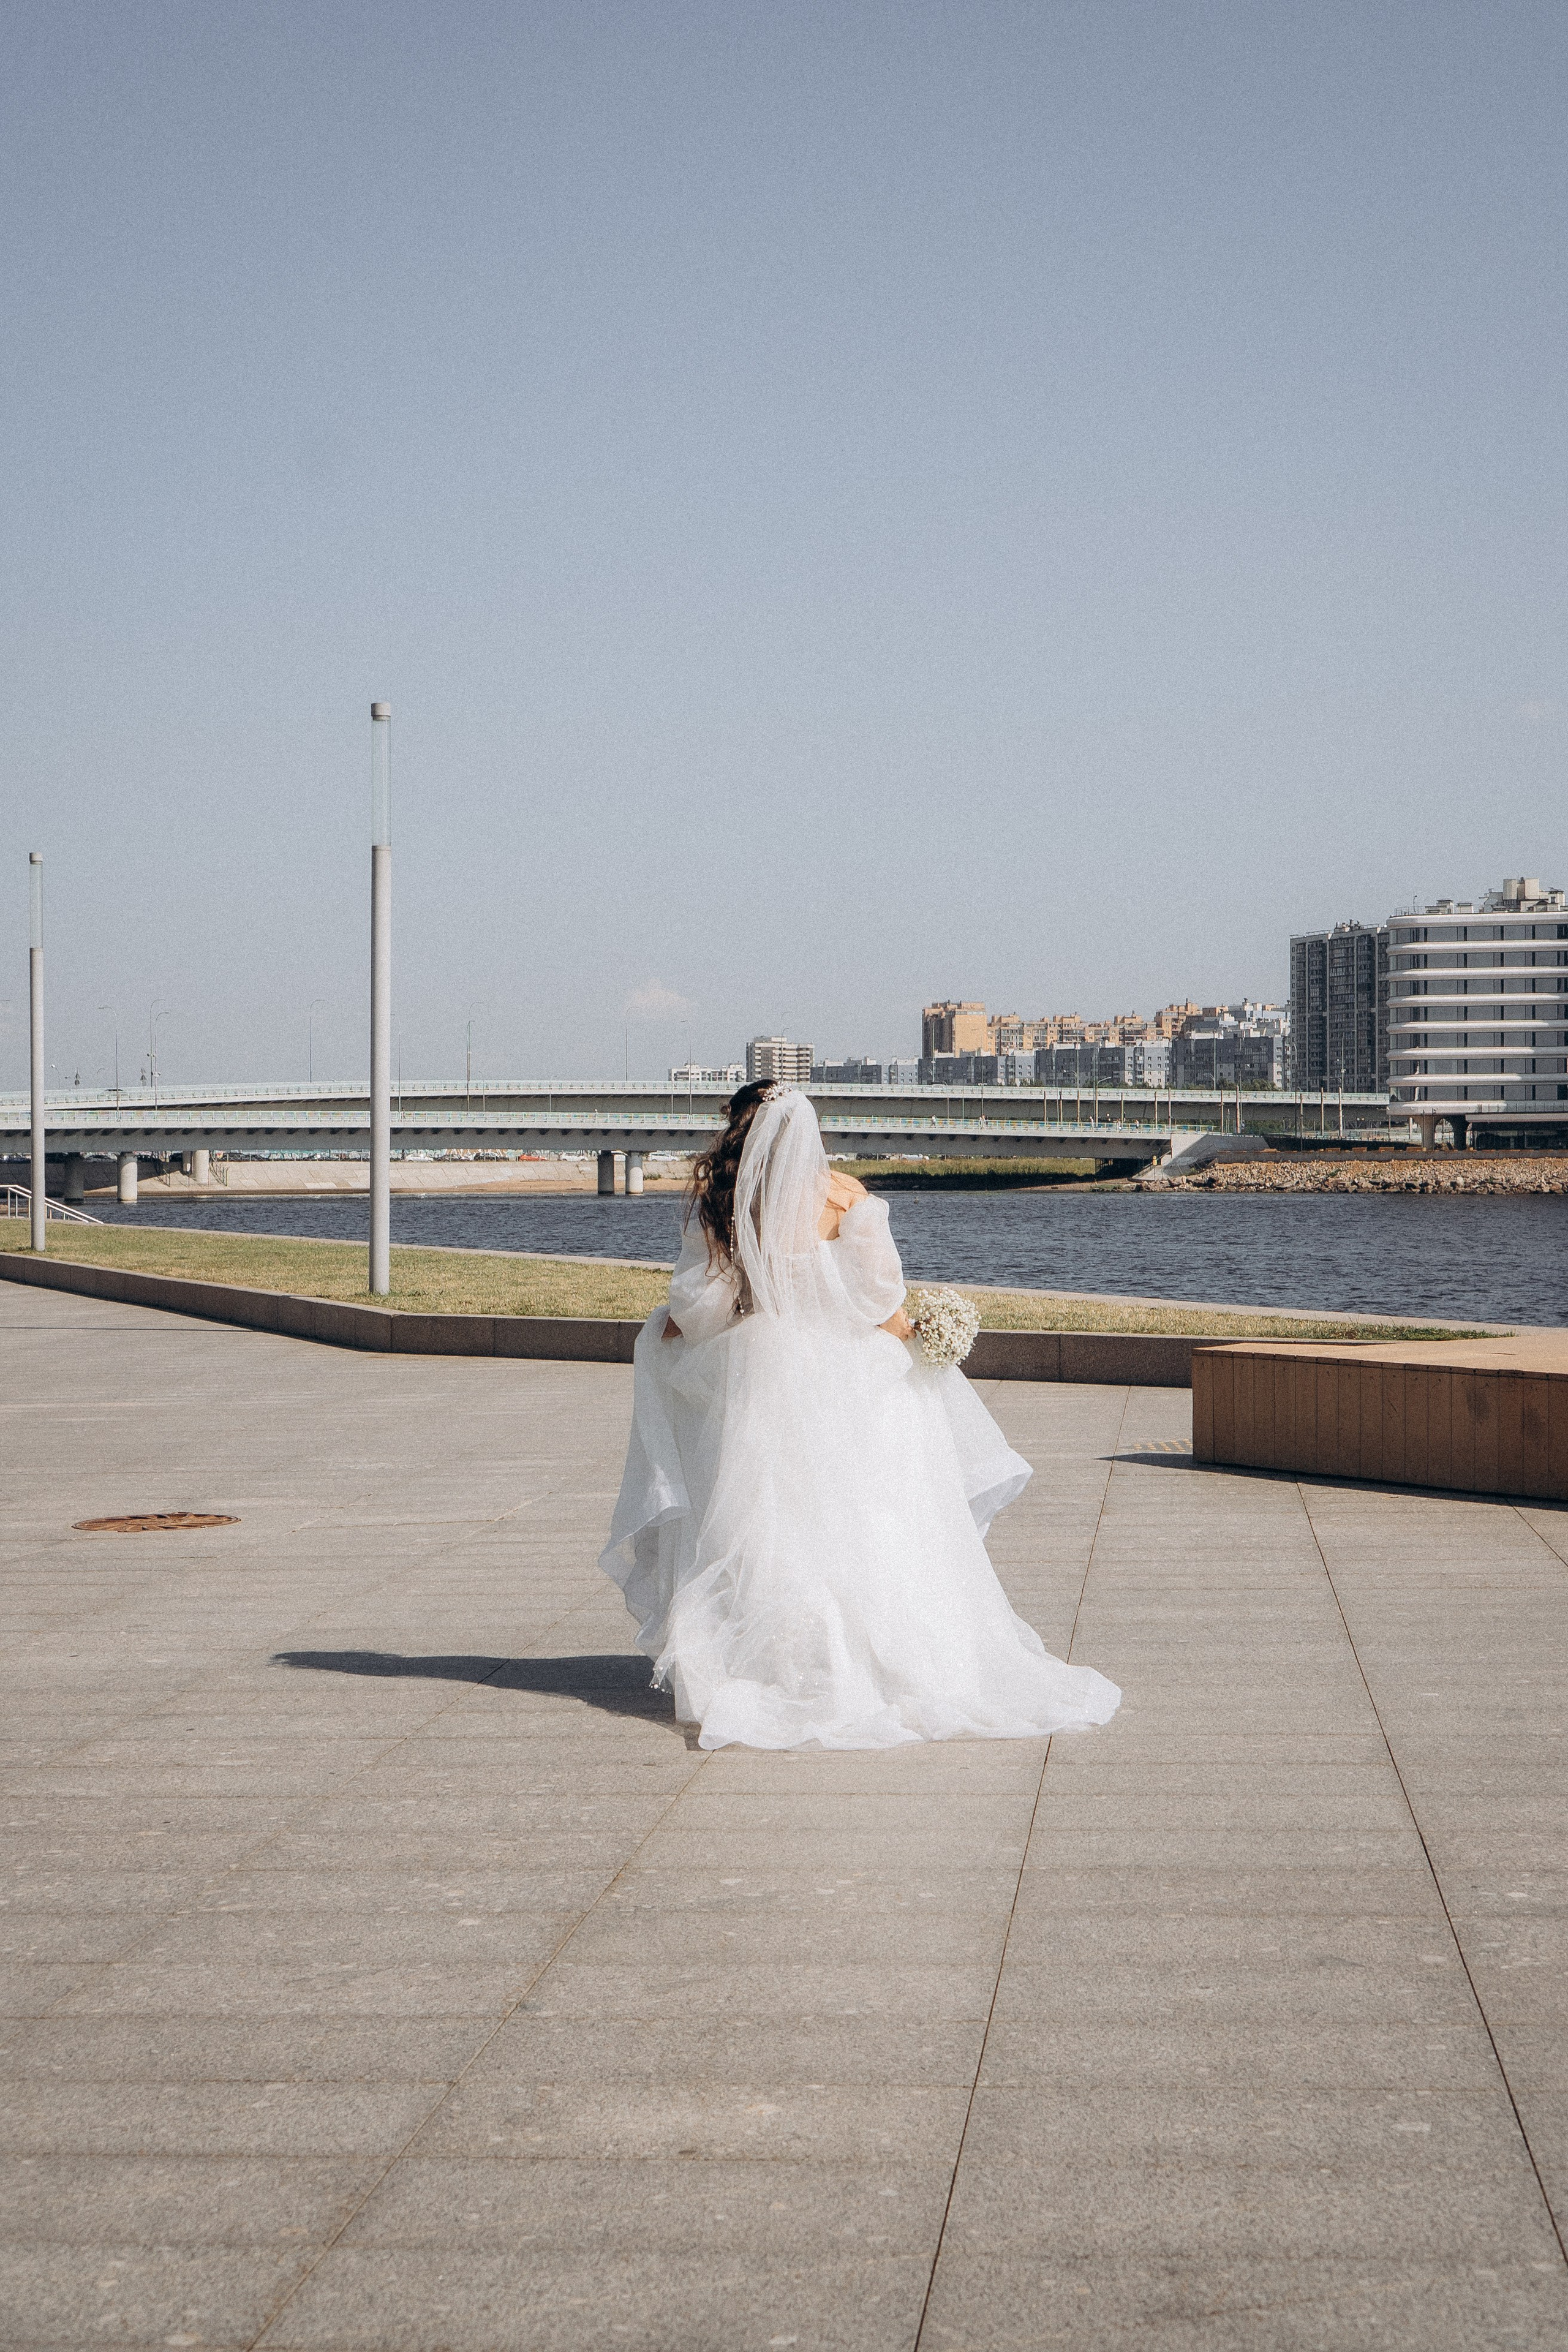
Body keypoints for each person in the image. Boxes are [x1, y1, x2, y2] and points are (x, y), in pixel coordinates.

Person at [600, 1082, 1120, 1751]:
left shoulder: (726, 1202)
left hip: (761, 1373)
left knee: (771, 1522)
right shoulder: (845, 1195)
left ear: (739, 1131)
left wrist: (662, 1330)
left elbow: (702, 1307)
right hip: (850, 1375)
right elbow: (876, 1297)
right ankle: (896, 1657)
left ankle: (779, 1664)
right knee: (873, 1517)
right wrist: (917, 1335)